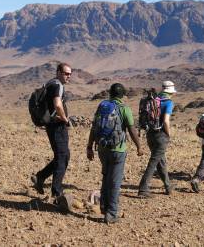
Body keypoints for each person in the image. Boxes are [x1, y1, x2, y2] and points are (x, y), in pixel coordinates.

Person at [86, 83, 144, 224]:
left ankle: (104, 207)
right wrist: (139, 146)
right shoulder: (124, 109)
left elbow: (94, 128)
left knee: (106, 177)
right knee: (115, 182)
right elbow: (131, 130)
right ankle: (111, 214)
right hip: (118, 150)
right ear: (122, 95)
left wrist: (89, 146)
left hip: (102, 149)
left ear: (110, 93)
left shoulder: (102, 106)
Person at [32, 63, 73, 210]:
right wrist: (65, 119)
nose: (68, 76)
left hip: (52, 125)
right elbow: (57, 104)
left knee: (64, 155)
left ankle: (40, 177)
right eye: (66, 73)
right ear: (58, 72)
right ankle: (57, 193)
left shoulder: (50, 83)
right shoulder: (57, 85)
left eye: (70, 74)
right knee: (62, 156)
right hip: (57, 126)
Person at [137, 81, 175, 197]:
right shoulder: (168, 103)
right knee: (154, 161)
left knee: (160, 160)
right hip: (160, 135)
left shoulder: (153, 100)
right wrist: (168, 134)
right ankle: (143, 188)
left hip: (150, 134)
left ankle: (168, 186)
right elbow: (165, 121)